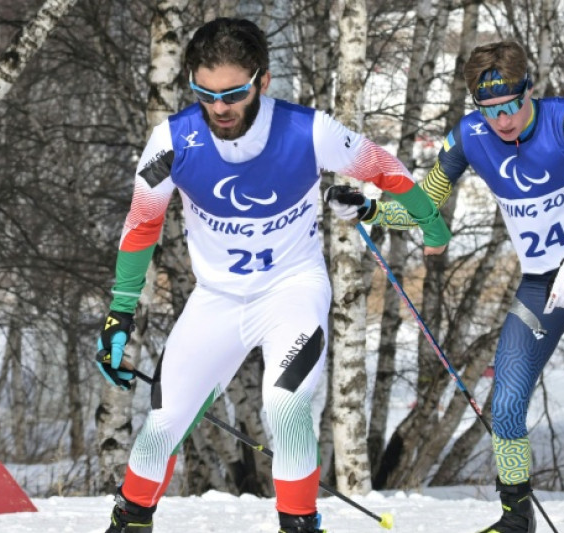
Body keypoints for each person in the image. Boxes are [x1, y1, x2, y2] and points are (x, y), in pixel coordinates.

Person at [94, 18, 451, 533]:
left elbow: (384, 167)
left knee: (285, 408)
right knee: (162, 427)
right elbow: (141, 226)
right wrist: (117, 316)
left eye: (234, 93)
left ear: (262, 81)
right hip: (217, 298)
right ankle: (129, 523)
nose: (219, 108)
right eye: (205, 93)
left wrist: (431, 223)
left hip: (292, 291)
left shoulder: (308, 130)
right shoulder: (171, 143)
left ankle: (300, 524)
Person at [325, 41, 564, 533]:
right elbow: (424, 208)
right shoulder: (470, 137)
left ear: (529, 90)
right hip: (541, 288)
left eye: (511, 106)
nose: (502, 121)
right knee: (506, 404)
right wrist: (370, 208)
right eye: (489, 111)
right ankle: (515, 519)